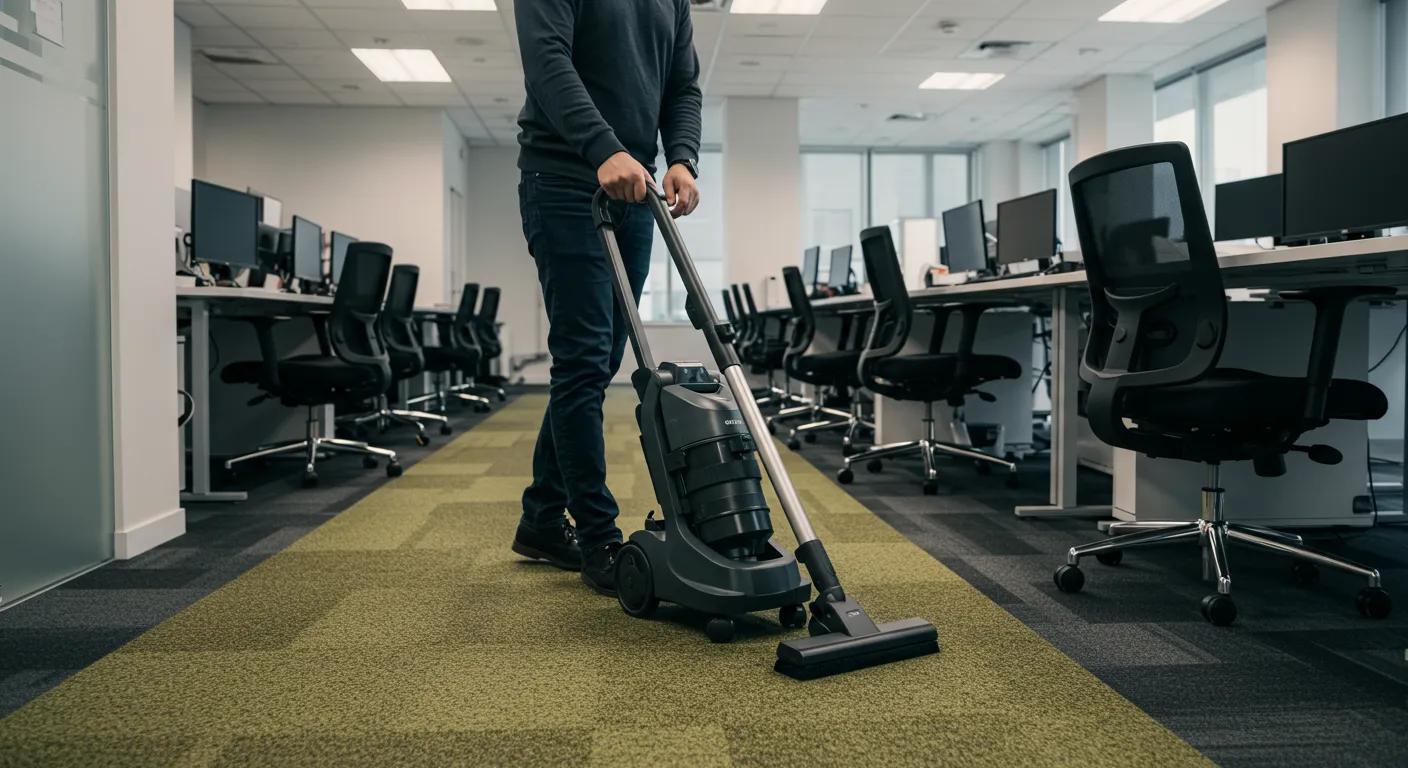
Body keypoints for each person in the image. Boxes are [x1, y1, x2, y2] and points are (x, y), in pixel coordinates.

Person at [510, 0, 702, 596]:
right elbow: (547, 59)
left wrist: (682, 156)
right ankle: (599, 537)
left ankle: (542, 519)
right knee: (585, 358)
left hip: (635, 188)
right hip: (565, 177)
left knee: (598, 361)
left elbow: (682, 85)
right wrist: (603, 147)